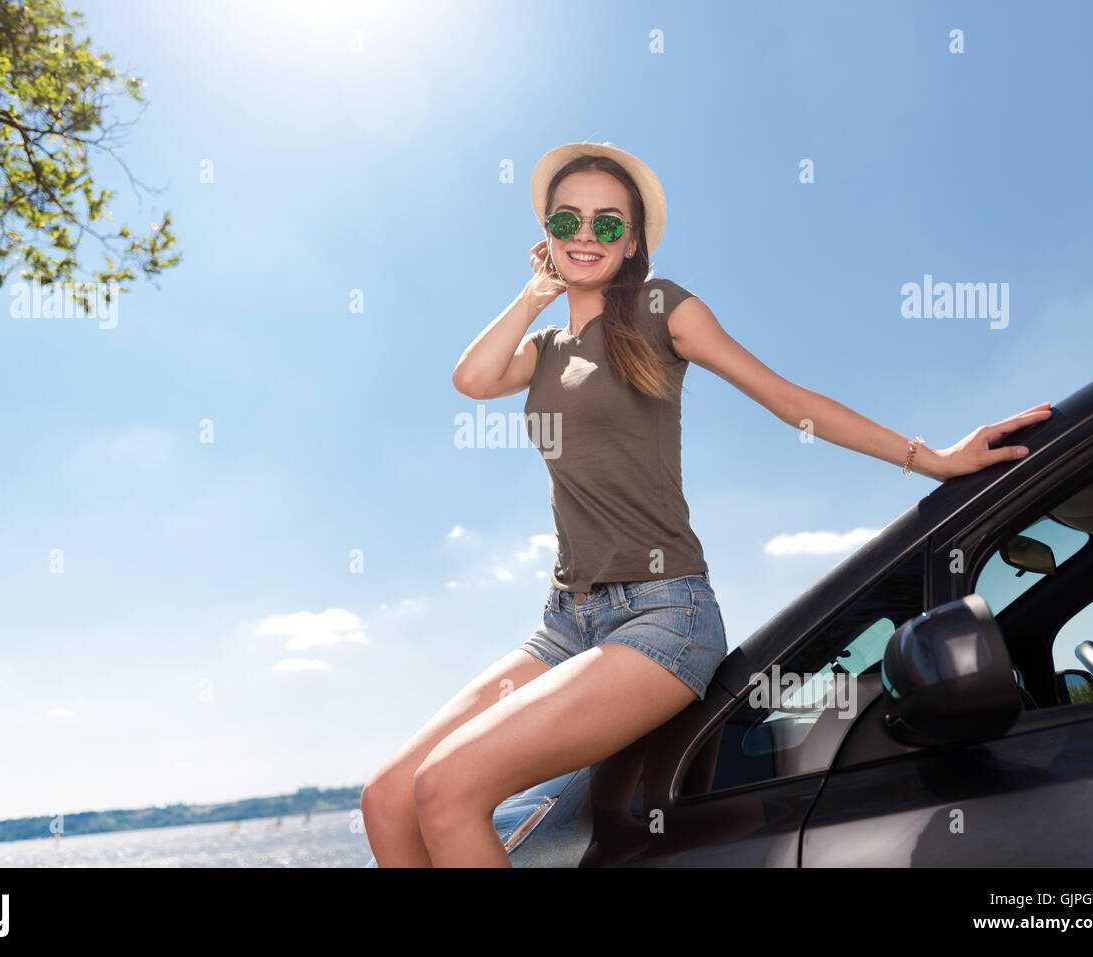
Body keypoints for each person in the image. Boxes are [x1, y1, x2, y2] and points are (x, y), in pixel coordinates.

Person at [360, 141, 1053, 867]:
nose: (587, 236)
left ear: (633, 241)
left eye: (607, 222)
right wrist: (536, 292)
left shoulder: (662, 310)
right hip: (567, 622)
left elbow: (788, 399)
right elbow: (471, 379)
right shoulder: (542, 349)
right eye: (568, 223)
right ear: (546, 238)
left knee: (446, 787)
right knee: (386, 796)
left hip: (664, 619)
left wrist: (932, 455)